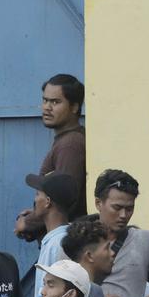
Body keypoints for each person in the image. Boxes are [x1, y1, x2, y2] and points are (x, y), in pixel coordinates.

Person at [93, 169, 149, 297]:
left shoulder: (145, 241)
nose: (124, 215)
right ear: (98, 203)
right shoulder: (75, 241)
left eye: (130, 209)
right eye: (117, 208)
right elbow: (60, 289)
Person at [38, 74, 87, 219]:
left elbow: (64, 202)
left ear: (74, 107)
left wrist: (29, 223)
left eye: (55, 102)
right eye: (45, 100)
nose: (47, 107)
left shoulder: (70, 144)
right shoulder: (65, 139)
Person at [27, 171, 78, 297]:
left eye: (37, 194)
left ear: (47, 202)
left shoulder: (58, 244)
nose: (35, 199)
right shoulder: (61, 237)